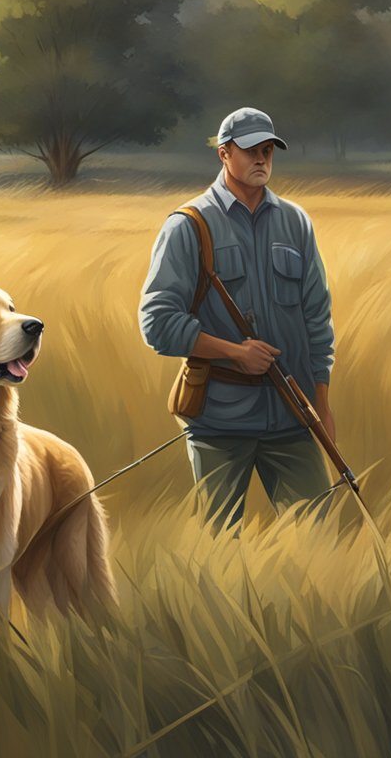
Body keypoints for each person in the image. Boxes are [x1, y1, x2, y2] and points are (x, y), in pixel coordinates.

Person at [139, 106, 336, 532]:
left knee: (321, 539)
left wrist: (321, 404)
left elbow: (317, 319)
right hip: (220, 421)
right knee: (219, 545)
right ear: (223, 154)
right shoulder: (188, 226)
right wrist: (233, 353)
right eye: (250, 150)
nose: (262, 159)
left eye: (268, 150)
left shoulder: (295, 222)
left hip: (292, 417)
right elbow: (157, 322)